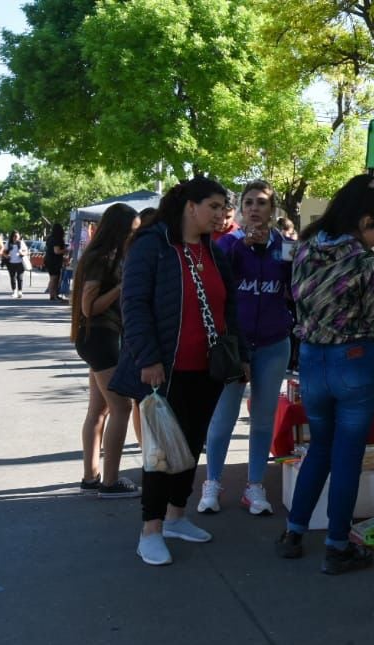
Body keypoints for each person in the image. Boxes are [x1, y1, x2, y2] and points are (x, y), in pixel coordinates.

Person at [110, 176, 246, 567]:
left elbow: (229, 310)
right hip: (164, 369)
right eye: (214, 206)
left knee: (190, 446)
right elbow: (133, 306)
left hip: (209, 368)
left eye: (224, 207)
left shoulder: (214, 252)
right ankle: (150, 529)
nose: (221, 215)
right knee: (162, 452)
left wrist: (243, 355)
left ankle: (175, 517)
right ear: (190, 206)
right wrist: (148, 359)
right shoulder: (152, 246)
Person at [276, 174, 374, 575]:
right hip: (353, 359)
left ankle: (293, 533)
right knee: (348, 455)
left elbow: (294, 301)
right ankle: (336, 545)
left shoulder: (306, 247)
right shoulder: (365, 261)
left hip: (312, 360)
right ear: (365, 221)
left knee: (319, 447)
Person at [199, 180, 293, 516]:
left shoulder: (285, 245)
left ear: (272, 209)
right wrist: (244, 247)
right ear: (239, 209)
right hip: (233, 346)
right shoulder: (226, 244)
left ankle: (255, 486)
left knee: (264, 418)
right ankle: (212, 482)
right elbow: (217, 284)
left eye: (262, 203)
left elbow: (295, 287)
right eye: (249, 202)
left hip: (272, 343)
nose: (255, 208)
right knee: (223, 417)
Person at [71, 203, 141, 499]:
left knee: (98, 410)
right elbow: (89, 307)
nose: (133, 238)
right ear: (119, 230)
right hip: (100, 337)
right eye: (132, 232)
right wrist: (121, 287)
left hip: (95, 338)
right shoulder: (103, 258)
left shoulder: (102, 255)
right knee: (121, 407)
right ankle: (110, 481)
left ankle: (91, 476)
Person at [3, 230, 29, 299]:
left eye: (17, 236)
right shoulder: (8, 243)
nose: (16, 238)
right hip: (11, 263)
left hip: (20, 263)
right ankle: (14, 291)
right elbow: (4, 252)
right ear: (12, 237)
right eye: (15, 236)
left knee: (20, 278)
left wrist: (22, 253)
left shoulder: (21, 243)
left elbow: (26, 251)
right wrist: (6, 256)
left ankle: (20, 292)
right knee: (12, 278)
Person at [45, 223, 67, 302]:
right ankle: (53, 295)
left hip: (49, 259)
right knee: (54, 278)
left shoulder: (50, 238)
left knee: (53, 278)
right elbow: (57, 251)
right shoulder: (57, 239)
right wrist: (66, 250)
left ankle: (53, 295)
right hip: (54, 261)